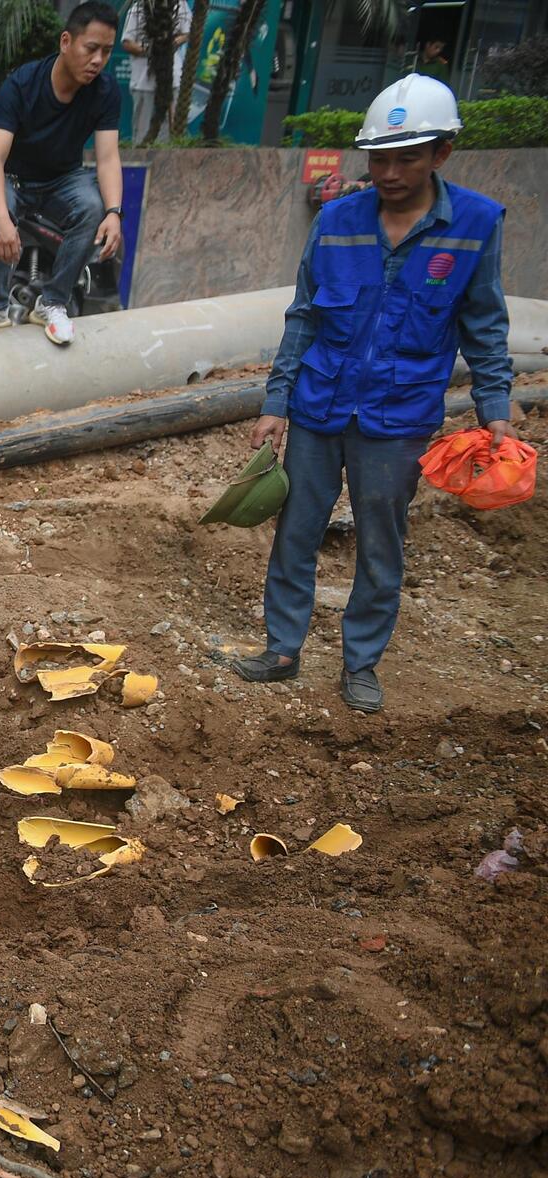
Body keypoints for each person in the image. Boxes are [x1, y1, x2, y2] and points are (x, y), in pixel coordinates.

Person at [232, 75, 514, 714]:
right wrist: (276, 403)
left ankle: (360, 664)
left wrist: (496, 406)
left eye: (406, 157)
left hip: (399, 415)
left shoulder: (473, 226)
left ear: (441, 153)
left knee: (381, 544)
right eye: (379, 158)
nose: (389, 171)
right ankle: (282, 648)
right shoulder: (335, 222)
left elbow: (485, 324)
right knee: (296, 531)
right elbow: (303, 316)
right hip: (320, 404)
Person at [0, 1, 125, 346]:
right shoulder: (21, 84)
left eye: (107, 52)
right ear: (66, 42)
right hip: (15, 177)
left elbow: (108, 158)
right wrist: (1, 216)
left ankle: (52, 303)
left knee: (92, 207)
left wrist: (114, 212)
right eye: (91, 48)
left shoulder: (106, 91)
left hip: (64, 179)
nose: (98, 60)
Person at [119, 0, 191, 140]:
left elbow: (188, 31)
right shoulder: (138, 8)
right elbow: (127, 43)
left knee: (171, 133)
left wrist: (173, 42)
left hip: (172, 78)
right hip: (143, 83)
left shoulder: (179, 4)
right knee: (142, 133)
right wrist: (152, 49)